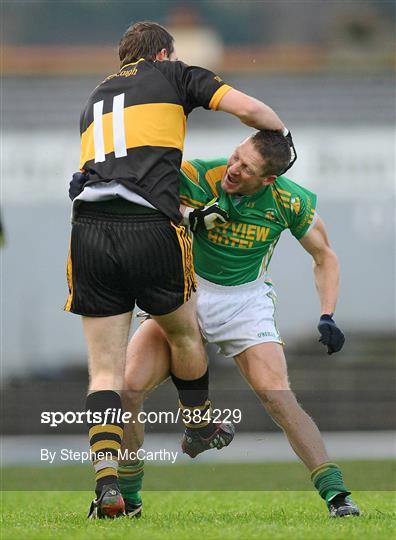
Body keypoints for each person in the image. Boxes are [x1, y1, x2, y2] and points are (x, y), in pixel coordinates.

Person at [65, 21, 291, 519]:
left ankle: (106, 481)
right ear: (165, 53)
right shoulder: (173, 74)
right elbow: (254, 112)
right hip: (149, 225)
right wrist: (282, 138)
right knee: (185, 334)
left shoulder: (94, 97)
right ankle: (200, 423)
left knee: (105, 370)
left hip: (87, 228)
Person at [119, 129, 360, 518]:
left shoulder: (289, 200)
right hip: (185, 294)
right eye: (235, 156)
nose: (233, 169)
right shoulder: (204, 175)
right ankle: (129, 500)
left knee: (278, 398)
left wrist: (327, 313)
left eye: (246, 168)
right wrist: (189, 216)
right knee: (126, 390)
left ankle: (338, 497)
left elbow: (325, 256)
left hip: (244, 303)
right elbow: (151, 199)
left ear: (268, 179)